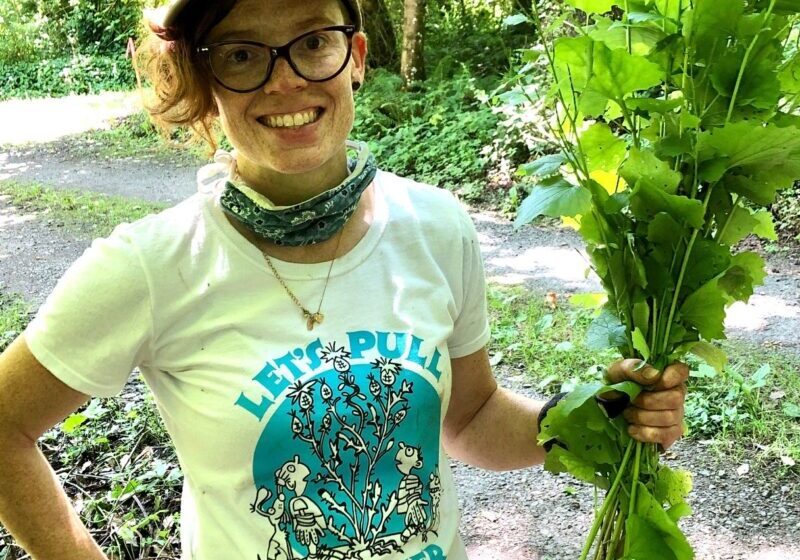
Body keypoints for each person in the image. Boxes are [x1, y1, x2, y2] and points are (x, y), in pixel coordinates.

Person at [0, 0, 689, 558]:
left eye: (312, 41)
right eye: (241, 55)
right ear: (206, 82)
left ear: (354, 57)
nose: (285, 80)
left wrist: (588, 418)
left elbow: (470, 420)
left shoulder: (436, 226)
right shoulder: (153, 265)